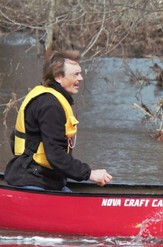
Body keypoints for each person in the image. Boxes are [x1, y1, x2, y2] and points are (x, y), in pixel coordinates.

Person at [4, 50, 112, 191]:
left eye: (80, 73)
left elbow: (16, 141)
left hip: (44, 179)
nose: (81, 78)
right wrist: (90, 174)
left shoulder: (48, 98)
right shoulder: (50, 106)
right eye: (75, 74)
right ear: (58, 77)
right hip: (33, 180)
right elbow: (55, 154)